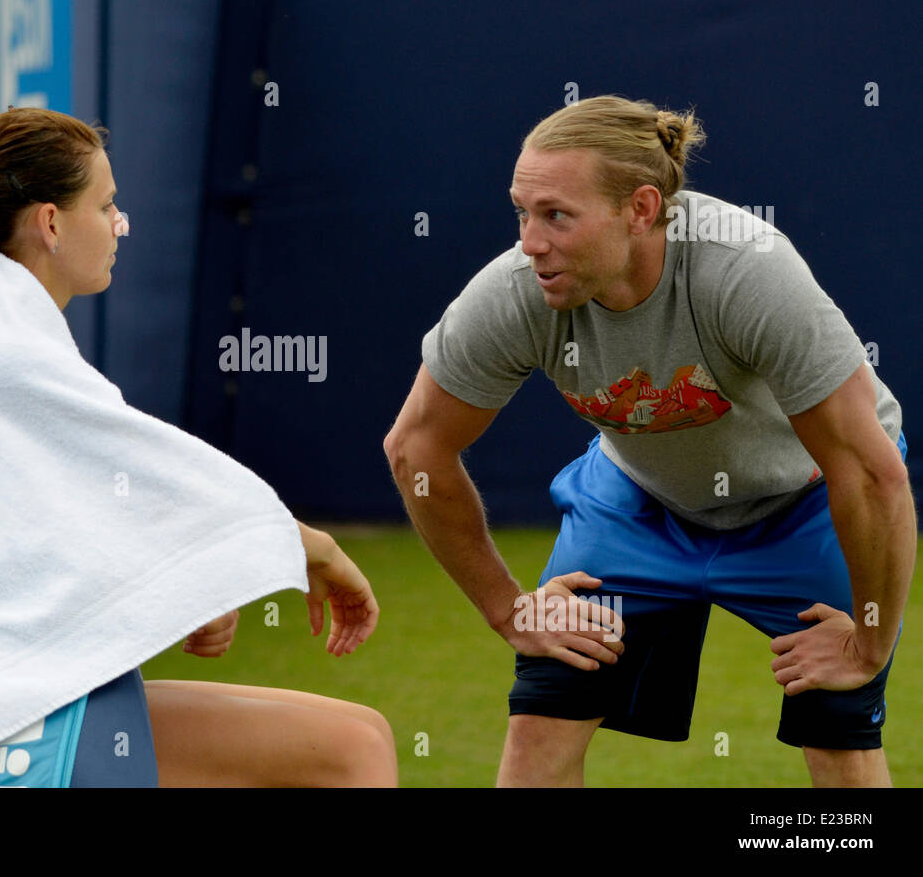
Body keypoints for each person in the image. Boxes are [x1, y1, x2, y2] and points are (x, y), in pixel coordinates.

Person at [0, 106, 396, 788]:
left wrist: (200, 582)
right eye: (106, 205)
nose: (121, 223)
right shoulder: (0, 346)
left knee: (367, 735)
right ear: (51, 222)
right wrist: (318, 551)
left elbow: (45, 520)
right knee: (352, 754)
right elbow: (153, 480)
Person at [384, 95, 914, 787]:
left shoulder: (744, 272)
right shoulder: (520, 292)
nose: (529, 242)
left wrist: (869, 644)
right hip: (639, 502)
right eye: (522, 211)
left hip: (806, 501)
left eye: (556, 216)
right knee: (542, 719)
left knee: (839, 733)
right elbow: (414, 450)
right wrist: (508, 608)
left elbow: (867, 472)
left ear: (638, 209)